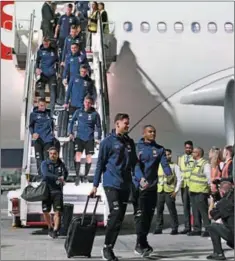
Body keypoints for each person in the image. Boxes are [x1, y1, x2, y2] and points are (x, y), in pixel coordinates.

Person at [90, 113, 137, 261]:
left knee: (119, 218)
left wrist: (140, 179)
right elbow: (100, 165)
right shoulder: (107, 142)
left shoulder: (130, 143)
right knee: (115, 212)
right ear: (117, 124)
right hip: (111, 183)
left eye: (128, 123)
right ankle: (106, 248)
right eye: (125, 123)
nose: (128, 126)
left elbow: (134, 163)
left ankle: (110, 246)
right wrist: (95, 185)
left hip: (125, 184)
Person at [132, 125, 173, 257]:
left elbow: (164, 164)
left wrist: (169, 174)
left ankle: (143, 241)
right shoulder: (137, 147)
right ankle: (140, 243)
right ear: (144, 133)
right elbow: (135, 165)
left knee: (149, 216)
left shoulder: (159, 149)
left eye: (154, 132)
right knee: (140, 216)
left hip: (152, 186)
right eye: (150, 132)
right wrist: (141, 179)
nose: (153, 134)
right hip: (139, 186)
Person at [69, 96, 101, 185]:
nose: (87, 104)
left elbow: (98, 126)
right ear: (83, 102)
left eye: (89, 103)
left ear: (92, 104)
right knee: (78, 155)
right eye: (86, 102)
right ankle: (77, 176)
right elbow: (71, 122)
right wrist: (71, 132)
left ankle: (86, 176)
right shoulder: (78, 112)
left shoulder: (95, 114)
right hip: (79, 137)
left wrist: (99, 137)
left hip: (89, 138)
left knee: (89, 158)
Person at [41, 147, 68, 239]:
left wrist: (64, 178)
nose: (52, 155)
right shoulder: (44, 163)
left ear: (57, 154)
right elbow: (46, 174)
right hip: (47, 191)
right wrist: (58, 177)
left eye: (54, 153)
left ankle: (55, 230)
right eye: (51, 153)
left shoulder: (61, 164)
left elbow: (66, 173)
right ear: (49, 154)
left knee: (57, 212)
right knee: (45, 211)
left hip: (57, 191)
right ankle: (50, 227)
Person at [154, 149, 182, 235]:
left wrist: (176, 191)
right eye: (165, 155)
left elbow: (180, 179)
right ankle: (158, 227)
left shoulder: (174, 166)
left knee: (172, 210)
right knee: (159, 210)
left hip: (169, 191)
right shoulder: (158, 165)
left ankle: (174, 228)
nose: (167, 156)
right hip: (160, 191)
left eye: (169, 154)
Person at [29, 98, 57, 177]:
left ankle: (47, 176)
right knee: (39, 159)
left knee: (46, 159)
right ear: (38, 105)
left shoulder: (49, 113)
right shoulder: (33, 114)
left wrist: (53, 133)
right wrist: (33, 133)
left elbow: (52, 123)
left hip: (48, 140)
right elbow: (30, 126)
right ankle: (41, 176)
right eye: (41, 105)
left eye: (44, 105)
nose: (42, 107)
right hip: (38, 140)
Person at [207, 181, 234, 260]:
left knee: (212, 226)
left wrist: (212, 201)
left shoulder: (224, 202)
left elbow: (210, 216)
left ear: (222, 191)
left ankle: (218, 253)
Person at [188, 147, 211, 237]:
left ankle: (208, 229)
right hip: (193, 191)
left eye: (193, 152)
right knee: (195, 211)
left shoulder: (205, 164)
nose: (192, 154)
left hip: (201, 191)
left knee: (203, 211)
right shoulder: (194, 163)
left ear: (198, 153)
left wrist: (209, 189)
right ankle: (197, 229)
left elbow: (208, 177)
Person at [35, 37, 58, 117]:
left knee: (53, 92)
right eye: (44, 43)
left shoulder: (53, 50)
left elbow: (58, 60)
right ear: (43, 42)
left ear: (49, 43)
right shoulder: (40, 51)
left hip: (52, 75)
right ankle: (42, 106)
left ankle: (51, 111)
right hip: (43, 75)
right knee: (40, 88)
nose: (45, 45)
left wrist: (59, 71)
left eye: (47, 43)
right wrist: (37, 68)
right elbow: (37, 61)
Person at [178, 140, 195, 234]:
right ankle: (187, 227)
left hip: (193, 185)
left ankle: (196, 226)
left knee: (195, 207)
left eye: (190, 148)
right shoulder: (181, 158)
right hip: (184, 185)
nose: (188, 149)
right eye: (187, 147)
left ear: (192, 148)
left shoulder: (195, 158)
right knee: (185, 207)